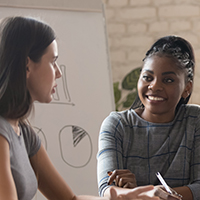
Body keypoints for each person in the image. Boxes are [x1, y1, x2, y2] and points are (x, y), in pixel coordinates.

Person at [0, 16, 160, 200]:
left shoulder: (23, 132)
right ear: (27, 65)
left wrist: (120, 198)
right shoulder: (2, 133)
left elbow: (69, 199)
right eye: (53, 61)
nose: (59, 73)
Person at [97, 35, 200, 200]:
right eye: (147, 77)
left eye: (168, 80)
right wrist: (150, 194)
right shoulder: (117, 125)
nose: (155, 86)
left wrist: (141, 193)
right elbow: (106, 189)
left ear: (187, 88)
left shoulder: (195, 121)